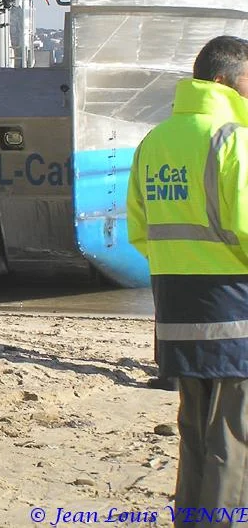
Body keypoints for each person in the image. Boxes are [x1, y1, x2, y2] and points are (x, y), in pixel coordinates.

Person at [126, 36, 248, 516]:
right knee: (233, 441)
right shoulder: (232, 141)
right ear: (224, 81)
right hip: (233, 312)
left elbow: (139, 230)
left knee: (196, 438)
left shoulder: (155, 140)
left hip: (175, 308)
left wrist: (182, 265)